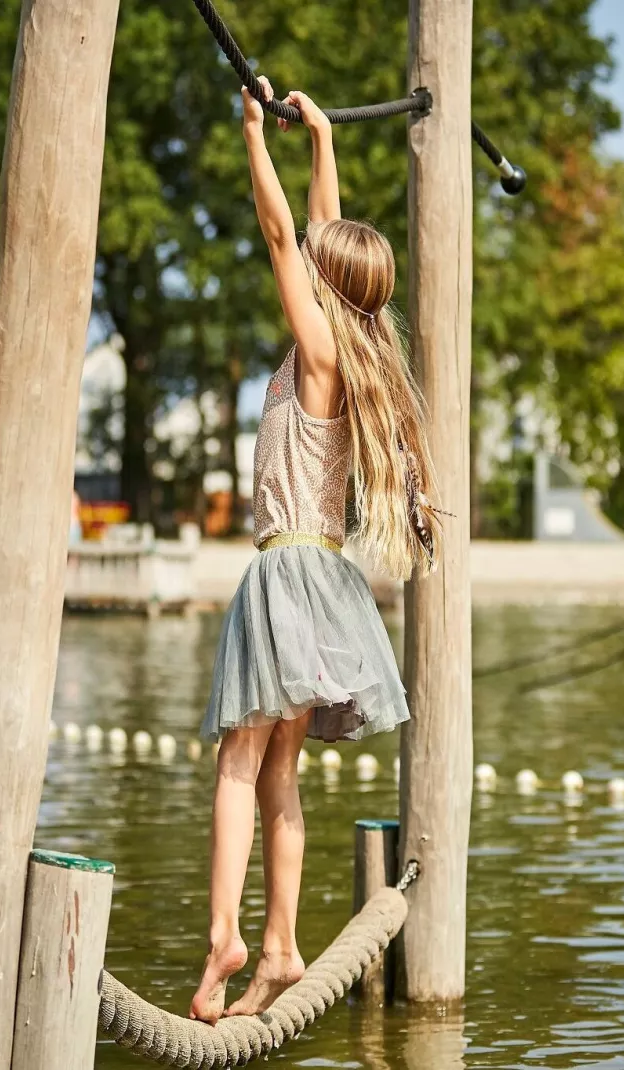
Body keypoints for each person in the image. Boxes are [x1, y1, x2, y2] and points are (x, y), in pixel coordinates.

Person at [188, 77, 443, 1024]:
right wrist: (323, 145)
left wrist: (257, 137)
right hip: (326, 576)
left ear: (326, 289)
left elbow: (283, 235)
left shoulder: (320, 350)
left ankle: (225, 935)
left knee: (234, 764)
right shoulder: (354, 348)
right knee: (280, 772)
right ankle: (283, 945)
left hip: (284, 570)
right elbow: (323, 235)